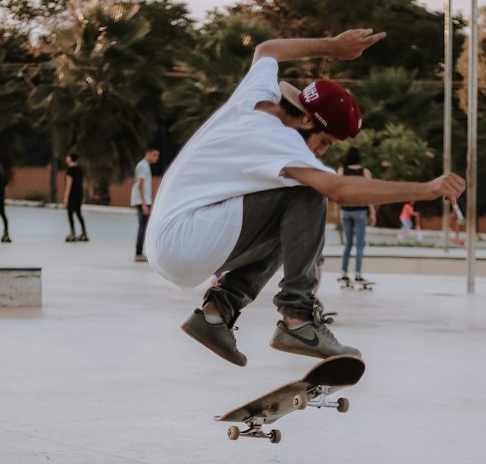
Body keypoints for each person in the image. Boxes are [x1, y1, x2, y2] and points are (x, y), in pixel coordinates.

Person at [145, 26, 465, 367]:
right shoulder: (281, 141)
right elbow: (339, 190)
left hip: (173, 239)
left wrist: (333, 47)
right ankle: (297, 317)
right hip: (188, 241)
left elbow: (267, 49)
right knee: (311, 190)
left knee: (292, 219)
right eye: (323, 142)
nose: (320, 152)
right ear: (307, 120)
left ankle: (214, 315)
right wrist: (426, 189)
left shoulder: (256, 97)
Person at [337, 146, 375, 285]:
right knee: (360, 244)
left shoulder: (341, 171)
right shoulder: (365, 172)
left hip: (346, 211)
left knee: (348, 244)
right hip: (360, 211)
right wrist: (372, 212)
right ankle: (358, 274)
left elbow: (337, 193)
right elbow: (369, 194)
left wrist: (338, 211)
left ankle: (343, 272)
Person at [132, 147, 159, 261]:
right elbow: (140, 185)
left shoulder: (145, 165)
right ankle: (138, 252)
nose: (156, 158)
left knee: (144, 226)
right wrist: (143, 203)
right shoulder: (143, 166)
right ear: (147, 154)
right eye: (154, 155)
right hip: (142, 201)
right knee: (143, 227)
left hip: (145, 200)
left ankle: (140, 251)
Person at [61, 152, 88, 241]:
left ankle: (72, 233)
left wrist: (66, 196)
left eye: (67, 157)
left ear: (70, 158)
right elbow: (83, 183)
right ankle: (84, 233)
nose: (66, 158)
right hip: (79, 194)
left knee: (70, 213)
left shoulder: (70, 170)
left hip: (72, 194)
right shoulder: (79, 169)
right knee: (79, 213)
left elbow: (69, 183)